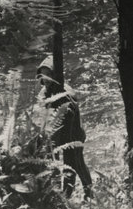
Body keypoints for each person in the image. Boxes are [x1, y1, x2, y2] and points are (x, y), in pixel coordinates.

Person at [34, 55, 93, 199]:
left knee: (74, 164)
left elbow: (70, 110)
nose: (45, 78)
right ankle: (62, 196)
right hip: (55, 135)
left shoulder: (66, 92)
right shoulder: (44, 92)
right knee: (54, 164)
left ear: (54, 75)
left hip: (73, 135)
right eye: (43, 75)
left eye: (48, 74)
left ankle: (85, 194)